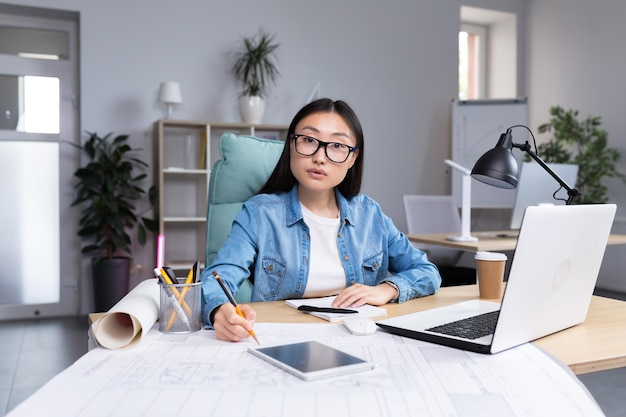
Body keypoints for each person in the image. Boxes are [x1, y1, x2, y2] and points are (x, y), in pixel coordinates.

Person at [201, 98, 441, 342]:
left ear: (352, 158)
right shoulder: (259, 213)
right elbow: (220, 277)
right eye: (309, 140)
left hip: (363, 339)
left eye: (337, 145)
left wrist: (386, 289)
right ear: (292, 146)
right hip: (283, 339)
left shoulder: (370, 215)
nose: (320, 157)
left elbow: (427, 271)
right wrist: (220, 311)